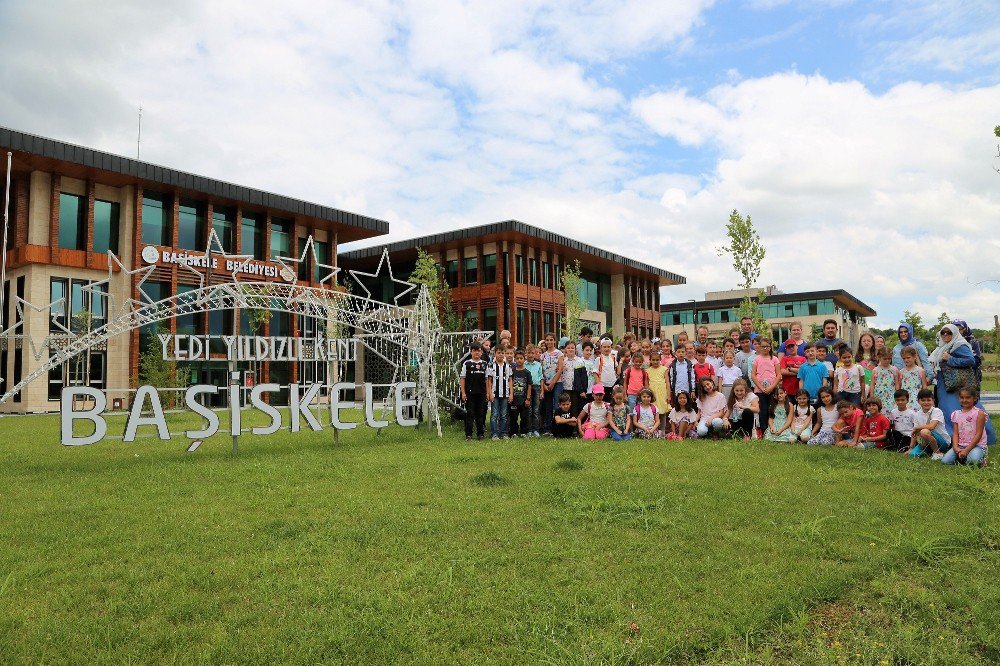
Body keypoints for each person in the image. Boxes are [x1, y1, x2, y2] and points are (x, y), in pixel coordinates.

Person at [930, 324, 996, 445]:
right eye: (943, 332)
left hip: (957, 384)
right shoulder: (942, 347)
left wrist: (950, 359)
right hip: (944, 383)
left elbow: (971, 360)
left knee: (958, 408)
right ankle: (950, 438)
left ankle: (973, 437)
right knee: (946, 409)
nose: (945, 335)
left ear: (954, 333)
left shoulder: (960, 344)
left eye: (949, 332)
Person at [941, 388, 989, 466]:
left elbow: (979, 434)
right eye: (962, 397)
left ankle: (981, 457)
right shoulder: (956, 414)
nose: (964, 400)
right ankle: (963, 456)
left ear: (975, 398)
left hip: (977, 445)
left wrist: (967, 450)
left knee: (973, 461)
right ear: (959, 398)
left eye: (968, 397)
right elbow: (955, 434)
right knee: (945, 461)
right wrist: (956, 448)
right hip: (961, 445)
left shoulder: (979, 414)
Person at [459, 342, 489, 441]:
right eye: (474, 350)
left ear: (481, 352)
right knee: (470, 414)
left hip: (481, 393)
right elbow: (462, 379)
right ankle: (468, 434)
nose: (477, 352)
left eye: (479, 351)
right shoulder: (466, 364)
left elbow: (487, 380)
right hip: (470, 394)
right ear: (471, 352)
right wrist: (463, 393)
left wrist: (488, 393)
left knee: (481, 414)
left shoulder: (484, 364)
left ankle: (480, 434)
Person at [909, 388, 950, 459]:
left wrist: (916, 428)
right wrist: (911, 448)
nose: (926, 402)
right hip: (926, 441)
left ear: (933, 400)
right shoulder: (917, 414)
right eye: (923, 400)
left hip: (942, 442)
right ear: (918, 401)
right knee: (912, 454)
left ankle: (938, 453)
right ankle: (930, 452)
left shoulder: (937, 411)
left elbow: (931, 427)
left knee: (924, 431)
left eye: (929, 400)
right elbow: (914, 434)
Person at [751, 338, 780, 425]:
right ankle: (763, 429)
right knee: (762, 410)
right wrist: (761, 388)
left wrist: (771, 387)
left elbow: (779, 375)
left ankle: (772, 428)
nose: (765, 348)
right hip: (760, 390)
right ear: (759, 347)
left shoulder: (774, 359)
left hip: (772, 389)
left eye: (767, 346)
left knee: (772, 409)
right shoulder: (757, 359)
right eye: (763, 346)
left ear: (770, 347)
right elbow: (753, 375)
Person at [540, 333, 564, 435]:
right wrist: (544, 385)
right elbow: (541, 371)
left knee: (556, 405)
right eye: (547, 340)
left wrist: (553, 382)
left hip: (557, 383)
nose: (549, 342)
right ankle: (547, 428)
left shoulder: (559, 354)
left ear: (555, 341)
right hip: (546, 384)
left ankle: (557, 427)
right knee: (548, 406)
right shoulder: (542, 355)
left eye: (551, 340)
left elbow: (560, 369)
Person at [487, 347, 513, 440]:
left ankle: (504, 433)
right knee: (494, 414)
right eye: (499, 353)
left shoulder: (508, 366)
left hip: (505, 394)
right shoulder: (491, 366)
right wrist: (489, 393)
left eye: (502, 352)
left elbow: (510, 380)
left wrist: (511, 394)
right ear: (495, 354)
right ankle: (494, 433)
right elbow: (489, 381)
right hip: (495, 394)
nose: (501, 354)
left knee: (504, 415)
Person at [508, 349, 532, 438]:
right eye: (517, 358)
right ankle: (513, 432)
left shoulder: (527, 372)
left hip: (523, 399)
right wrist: (510, 395)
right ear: (515, 359)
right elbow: (510, 383)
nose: (519, 360)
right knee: (513, 417)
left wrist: (528, 398)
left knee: (524, 417)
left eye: (521, 358)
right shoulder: (512, 371)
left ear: (524, 359)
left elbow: (529, 385)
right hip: (514, 399)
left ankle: (523, 432)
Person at [869, 349, 900, 416]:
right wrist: (872, 397)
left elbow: (897, 383)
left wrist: (897, 396)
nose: (887, 360)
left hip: (891, 396)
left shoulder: (894, 369)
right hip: (879, 396)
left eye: (889, 359)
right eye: (885, 359)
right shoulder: (875, 370)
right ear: (879, 357)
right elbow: (872, 385)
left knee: (891, 413)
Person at [647, 351, 669, 434]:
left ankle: (663, 430)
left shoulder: (664, 369)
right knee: (653, 411)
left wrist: (668, 395)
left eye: (657, 360)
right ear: (650, 360)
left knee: (662, 411)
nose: (655, 362)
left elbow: (667, 382)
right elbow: (646, 384)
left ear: (660, 360)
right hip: (652, 394)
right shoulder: (648, 370)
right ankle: (654, 430)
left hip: (662, 393)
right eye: (653, 360)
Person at [523, 344, 543, 437]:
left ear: (535, 354)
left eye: (532, 353)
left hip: (536, 387)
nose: (530, 355)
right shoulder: (523, 364)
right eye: (528, 353)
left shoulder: (538, 364)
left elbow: (541, 378)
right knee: (529, 410)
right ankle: (529, 430)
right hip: (527, 388)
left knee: (536, 410)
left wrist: (542, 391)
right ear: (525, 353)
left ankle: (536, 430)